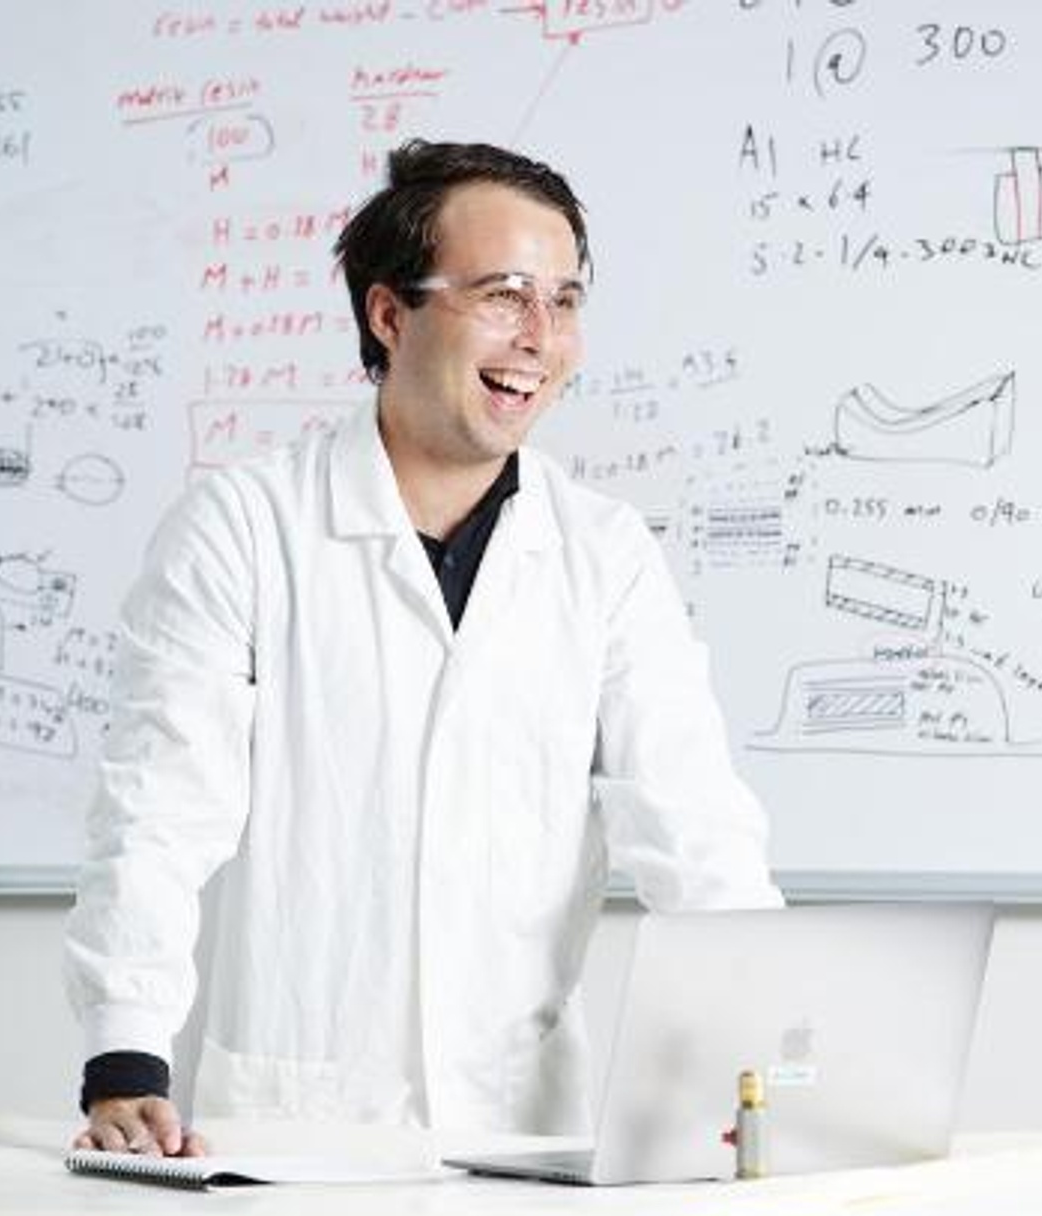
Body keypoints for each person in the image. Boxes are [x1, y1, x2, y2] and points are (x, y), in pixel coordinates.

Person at [66, 140, 780, 1156]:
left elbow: (694, 827)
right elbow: (157, 808)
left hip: (523, 1132)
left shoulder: (604, 553)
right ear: (389, 314)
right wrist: (124, 1051)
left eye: (566, 301)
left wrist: (768, 1059)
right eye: (503, 296)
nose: (541, 337)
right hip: (290, 1123)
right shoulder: (245, 526)